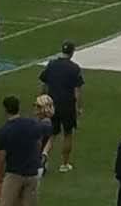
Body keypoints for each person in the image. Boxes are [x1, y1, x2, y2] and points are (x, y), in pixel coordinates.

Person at [0, 96, 51, 206]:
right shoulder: (32, 124)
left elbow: (1, 158)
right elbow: (47, 131)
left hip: (14, 174)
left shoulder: (3, 131)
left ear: (5, 109)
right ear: (18, 108)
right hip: (32, 174)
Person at [38, 40, 84, 174]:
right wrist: (78, 108)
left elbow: (44, 84)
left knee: (51, 133)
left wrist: (42, 99)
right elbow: (77, 91)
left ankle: (44, 154)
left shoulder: (51, 64)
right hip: (67, 104)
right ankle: (64, 163)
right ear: (72, 52)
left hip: (52, 103)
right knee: (68, 133)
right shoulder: (74, 68)